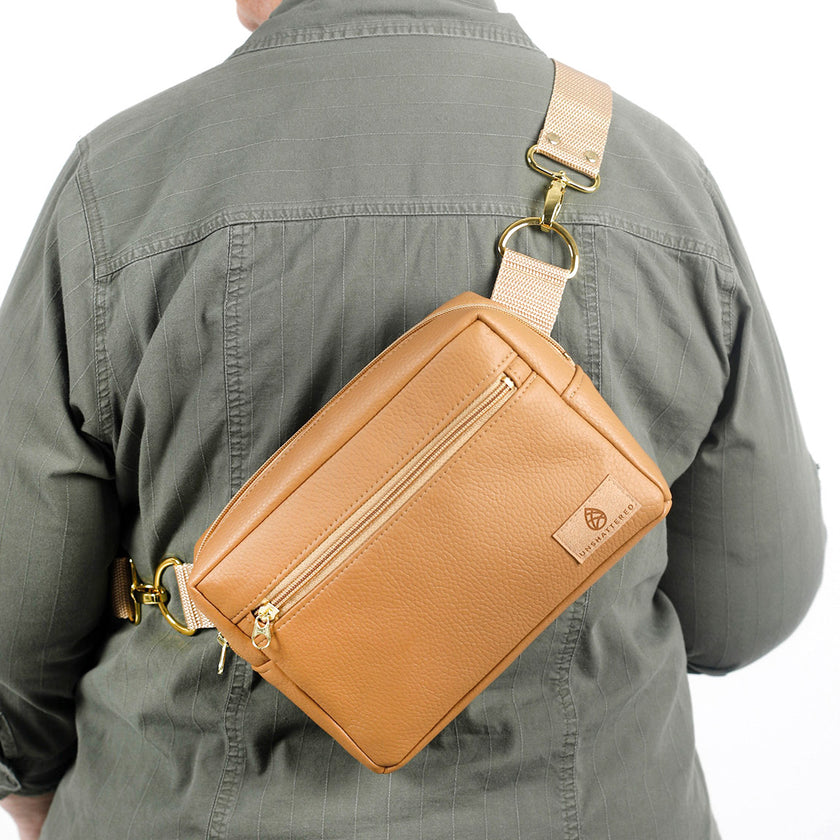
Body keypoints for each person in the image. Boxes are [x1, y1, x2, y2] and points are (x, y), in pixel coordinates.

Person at [0, 0, 825, 837]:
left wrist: (34, 793)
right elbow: (747, 606)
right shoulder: (658, 176)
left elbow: (16, 609)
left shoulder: (122, 180)